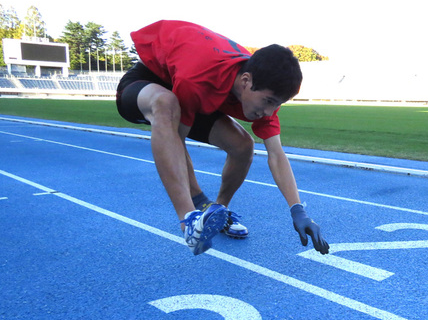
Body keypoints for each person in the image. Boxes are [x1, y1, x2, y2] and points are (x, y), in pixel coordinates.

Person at [115, 20, 329, 256]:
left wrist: (298, 211)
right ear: (246, 81)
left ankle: (219, 210)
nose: (268, 112)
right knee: (166, 104)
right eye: (268, 102)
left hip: (193, 90)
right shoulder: (199, 76)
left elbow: (276, 155)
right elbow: (177, 142)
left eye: (277, 104)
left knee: (243, 145)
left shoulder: (263, 94)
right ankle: (189, 219)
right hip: (147, 82)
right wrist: (196, 203)